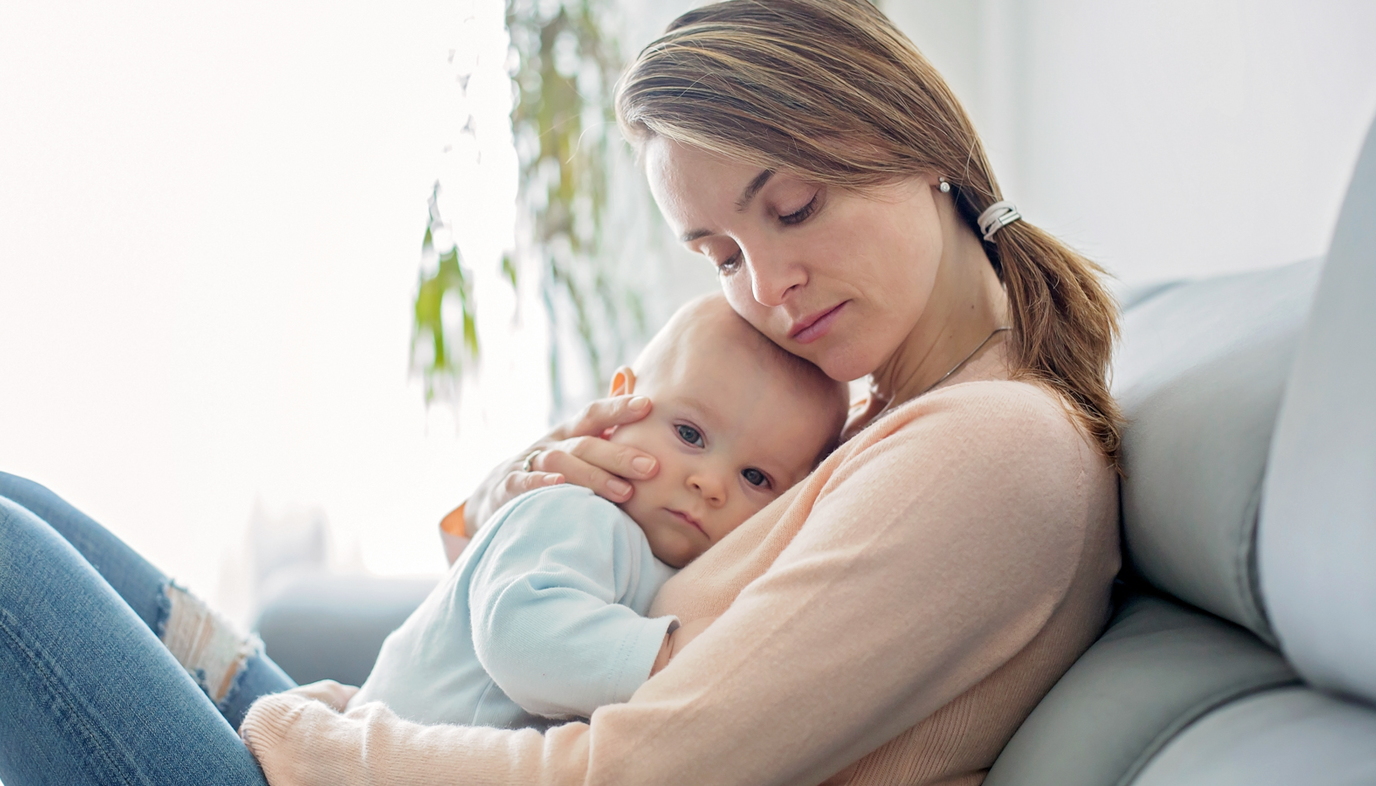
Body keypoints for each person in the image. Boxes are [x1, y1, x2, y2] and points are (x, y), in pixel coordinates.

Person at [0, 0, 1122, 784]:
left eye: (793, 207)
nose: (768, 289)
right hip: (438, 737)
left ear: (918, 142)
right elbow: (584, 604)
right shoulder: (880, 415)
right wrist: (515, 506)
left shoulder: (991, 453)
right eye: (719, 253)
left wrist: (323, 744)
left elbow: (640, 768)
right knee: (18, 504)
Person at [348, 293, 847, 728]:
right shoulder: (577, 511)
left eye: (756, 478)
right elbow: (517, 636)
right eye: (690, 434)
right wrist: (665, 657)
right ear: (620, 402)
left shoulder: (694, 563)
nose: (711, 484)